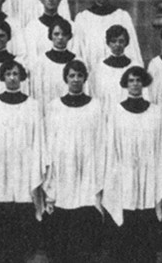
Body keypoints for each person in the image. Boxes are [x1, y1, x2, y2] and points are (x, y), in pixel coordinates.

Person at [100, 65, 162, 263]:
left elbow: (161, 145)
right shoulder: (116, 111)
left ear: (144, 83)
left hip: (148, 175)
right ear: (125, 84)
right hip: (123, 175)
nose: (135, 84)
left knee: (146, 233)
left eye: (138, 80)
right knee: (123, 233)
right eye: (131, 80)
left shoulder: (155, 112)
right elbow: (110, 146)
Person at [41, 59, 104, 263]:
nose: (75, 79)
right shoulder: (54, 107)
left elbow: (101, 140)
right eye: (71, 76)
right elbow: (49, 139)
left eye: (79, 75)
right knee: (62, 217)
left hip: (88, 168)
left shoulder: (96, 107)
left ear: (85, 78)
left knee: (84, 215)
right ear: (65, 79)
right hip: (63, 168)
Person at [0, 59, 44, 263]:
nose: (12, 78)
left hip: (24, 164)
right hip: (0, 164)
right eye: (8, 73)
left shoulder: (33, 105)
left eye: (16, 74)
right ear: (2, 77)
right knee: (1, 208)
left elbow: (38, 139)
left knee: (22, 207)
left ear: (22, 78)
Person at [71, 0, 142, 68]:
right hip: (92, 72)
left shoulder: (122, 17)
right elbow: (77, 51)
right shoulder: (82, 18)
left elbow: (132, 49)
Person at [30, 17, 76, 115]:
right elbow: (37, 93)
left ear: (69, 36)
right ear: (50, 36)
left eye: (64, 34)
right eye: (56, 34)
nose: (60, 38)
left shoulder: (77, 61)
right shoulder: (41, 62)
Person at [20, 0, 73, 65]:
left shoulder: (69, 26)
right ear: (41, 0)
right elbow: (31, 58)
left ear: (59, 0)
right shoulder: (32, 27)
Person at [88, 24, 140, 108]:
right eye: (114, 41)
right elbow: (93, 94)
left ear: (126, 42)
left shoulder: (134, 66)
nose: (117, 44)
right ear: (108, 43)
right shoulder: (99, 68)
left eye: (121, 41)